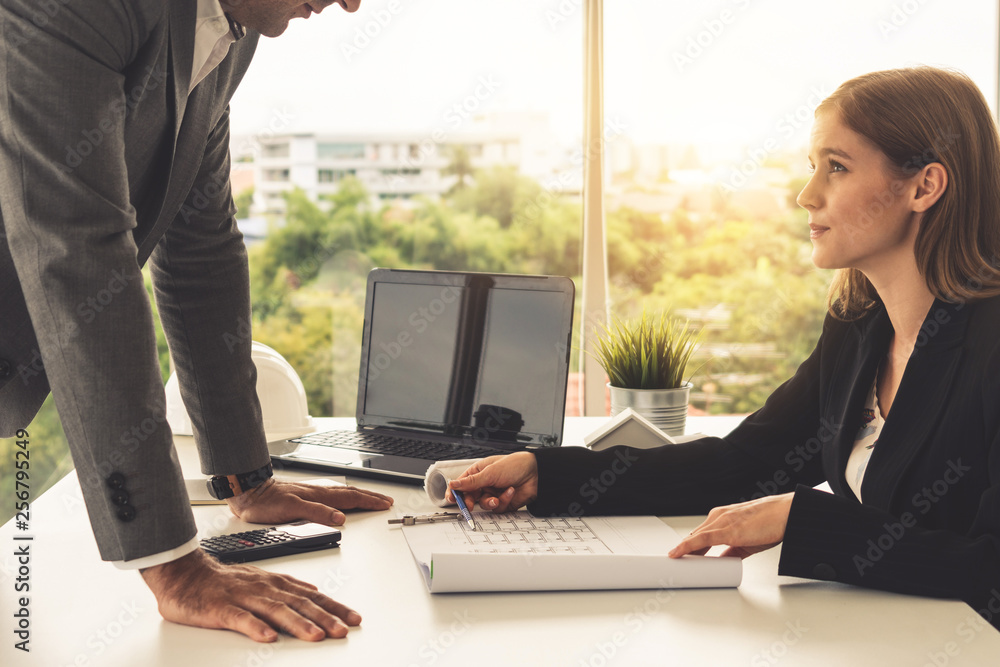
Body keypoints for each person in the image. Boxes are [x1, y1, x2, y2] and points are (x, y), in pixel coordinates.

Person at [449, 66, 1000, 629]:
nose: (806, 196)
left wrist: (803, 518)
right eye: (813, 168)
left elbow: (990, 570)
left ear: (924, 186)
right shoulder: (859, 324)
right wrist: (548, 474)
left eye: (837, 168)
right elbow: (745, 464)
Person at [0, 0, 394, 643]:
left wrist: (246, 479)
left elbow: (200, 241)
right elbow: (78, 259)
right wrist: (175, 567)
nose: (353, 3)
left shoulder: (232, 32)